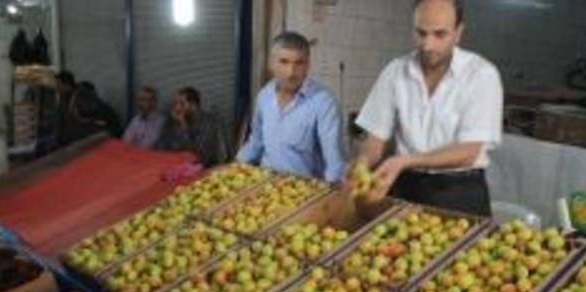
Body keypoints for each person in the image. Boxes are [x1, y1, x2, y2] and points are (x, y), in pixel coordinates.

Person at [351, 0, 503, 216]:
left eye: (440, 34)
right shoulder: (396, 71)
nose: (427, 45)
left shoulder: (481, 75)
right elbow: (375, 140)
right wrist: (361, 164)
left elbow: (468, 152)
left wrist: (403, 161)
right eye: (421, 33)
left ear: (458, 32)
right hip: (405, 186)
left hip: (460, 191)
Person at [237, 32, 346, 182]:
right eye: (284, 62)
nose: (291, 72)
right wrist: (235, 165)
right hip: (264, 184)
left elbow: (334, 163)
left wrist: (330, 191)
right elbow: (256, 141)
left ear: (308, 65)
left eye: (299, 63)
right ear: (271, 64)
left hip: (302, 189)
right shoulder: (264, 96)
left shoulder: (324, 103)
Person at [158, 87, 219, 166]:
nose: (177, 108)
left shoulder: (207, 122)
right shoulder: (174, 120)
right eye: (175, 104)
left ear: (194, 106)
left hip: (202, 167)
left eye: (182, 104)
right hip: (175, 164)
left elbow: (198, 155)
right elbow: (162, 145)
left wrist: (183, 125)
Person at [54, 70, 76, 146]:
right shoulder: (62, 100)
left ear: (67, 84)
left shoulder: (79, 98)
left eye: (58, 84)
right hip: (67, 143)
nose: (56, 88)